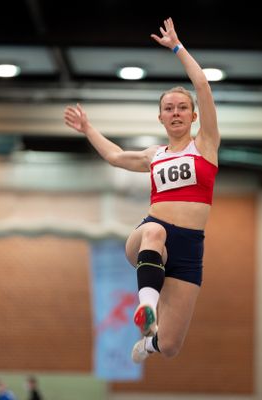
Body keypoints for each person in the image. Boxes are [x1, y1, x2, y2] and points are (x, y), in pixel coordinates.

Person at [64, 17, 220, 363]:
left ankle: (149, 342)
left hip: (190, 249)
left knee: (171, 346)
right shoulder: (155, 156)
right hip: (150, 236)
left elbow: (203, 85)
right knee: (154, 229)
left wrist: (177, 47)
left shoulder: (205, 145)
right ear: (160, 118)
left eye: (182, 108)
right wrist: (88, 128)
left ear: (194, 116)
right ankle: (145, 309)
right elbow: (116, 156)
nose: (176, 113)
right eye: (169, 109)